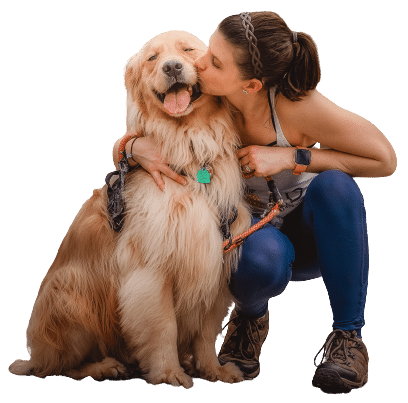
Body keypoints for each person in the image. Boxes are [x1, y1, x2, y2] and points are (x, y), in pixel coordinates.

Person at [112, 11, 397, 394]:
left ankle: (348, 339)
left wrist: (293, 157)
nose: (196, 63)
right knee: (257, 260)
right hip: (255, 242)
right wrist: (131, 147)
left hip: (314, 234)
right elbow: (153, 137)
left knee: (337, 187)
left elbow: (385, 159)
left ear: (251, 84)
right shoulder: (204, 103)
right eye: (207, 49)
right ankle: (250, 320)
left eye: (213, 61)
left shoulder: (295, 106)